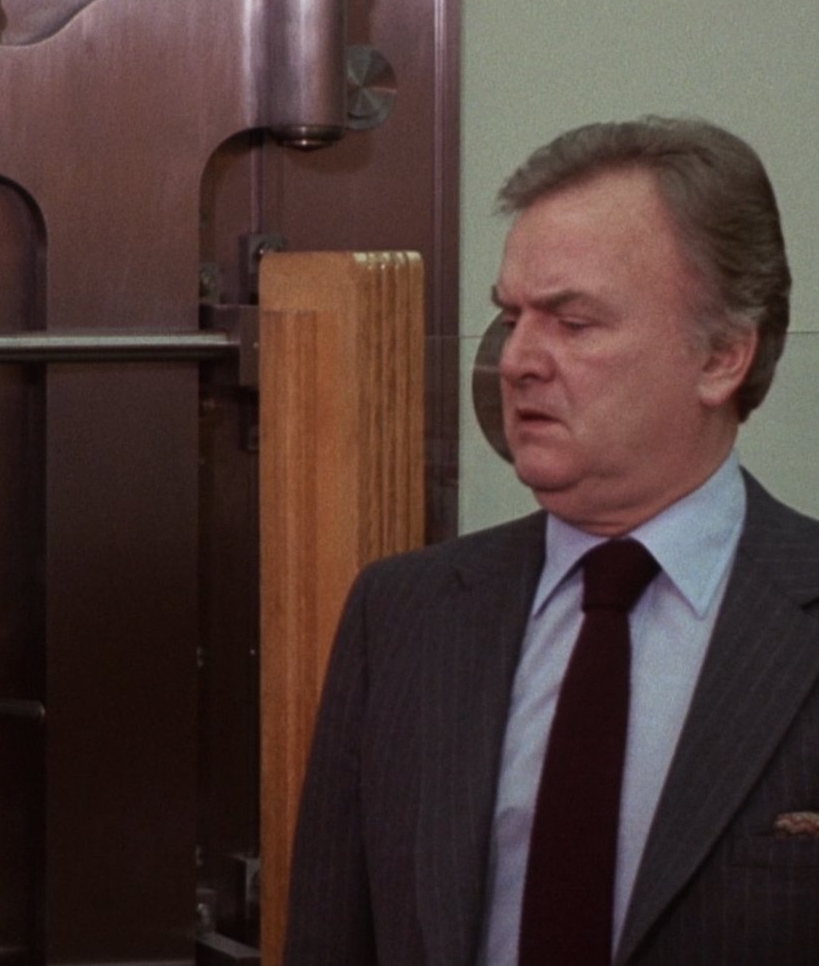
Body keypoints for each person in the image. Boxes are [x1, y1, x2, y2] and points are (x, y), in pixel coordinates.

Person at [285, 116, 819, 965]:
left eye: (572, 322)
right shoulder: (403, 616)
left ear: (722, 356)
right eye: (512, 316)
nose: (517, 360)